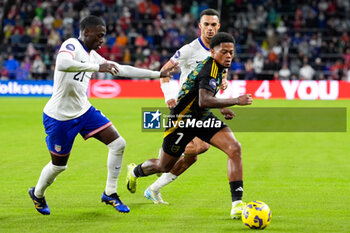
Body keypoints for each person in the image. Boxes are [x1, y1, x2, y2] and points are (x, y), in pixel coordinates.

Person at [28, 15, 176, 215]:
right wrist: (97, 67)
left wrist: (157, 74)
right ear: (86, 32)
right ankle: (37, 194)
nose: (102, 40)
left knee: (118, 144)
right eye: (100, 35)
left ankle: (110, 193)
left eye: (103, 36)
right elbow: (63, 63)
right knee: (59, 166)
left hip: (84, 111)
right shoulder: (71, 44)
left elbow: (121, 69)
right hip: (59, 117)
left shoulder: (92, 55)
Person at [126, 32, 253, 219]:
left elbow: (201, 98)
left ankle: (237, 204)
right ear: (212, 52)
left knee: (234, 148)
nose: (228, 56)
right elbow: (203, 99)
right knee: (164, 166)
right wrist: (235, 100)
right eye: (223, 52)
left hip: (200, 117)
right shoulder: (209, 69)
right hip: (181, 121)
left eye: (231, 53)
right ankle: (135, 171)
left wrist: (223, 106)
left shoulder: (218, 68)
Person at [140, 8, 228, 206]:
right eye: (206, 24)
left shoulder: (222, 50)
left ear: (218, 26)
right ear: (200, 26)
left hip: (201, 109)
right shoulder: (189, 50)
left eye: (214, 25)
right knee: (200, 147)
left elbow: (222, 73)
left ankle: (153, 188)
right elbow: (164, 70)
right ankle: (143, 170)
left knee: (191, 158)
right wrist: (169, 95)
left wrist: (223, 82)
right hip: (184, 109)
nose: (210, 28)